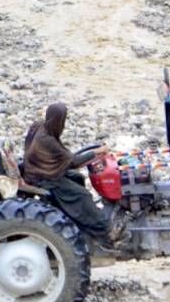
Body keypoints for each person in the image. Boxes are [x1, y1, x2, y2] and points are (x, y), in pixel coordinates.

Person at [23, 102, 112, 244]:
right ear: (58, 120)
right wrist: (97, 152)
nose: (63, 125)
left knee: (78, 178)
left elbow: (66, 158)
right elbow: (74, 161)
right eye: (63, 120)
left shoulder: (40, 127)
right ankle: (105, 232)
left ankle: (82, 224)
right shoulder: (47, 140)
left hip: (37, 170)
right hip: (45, 178)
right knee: (84, 195)